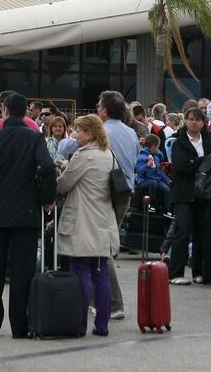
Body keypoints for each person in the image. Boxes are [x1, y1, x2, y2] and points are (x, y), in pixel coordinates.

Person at [0, 92, 56, 339]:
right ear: (25, 112)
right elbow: (48, 168)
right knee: (22, 273)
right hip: (26, 214)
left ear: (5, 111)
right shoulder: (34, 138)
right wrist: (46, 199)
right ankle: (19, 327)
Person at [56, 114, 120, 337]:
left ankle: (80, 323)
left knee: (81, 272)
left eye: (79, 131)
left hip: (82, 221)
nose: (75, 135)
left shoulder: (83, 156)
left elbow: (63, 185)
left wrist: (59, 172)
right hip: (103, 221)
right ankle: (102, 325)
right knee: (100, 273)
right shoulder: (108, 154)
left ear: (91, 133)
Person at [96, 90, 140, 317]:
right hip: (125, 191)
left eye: (98, 106)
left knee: (102, 247)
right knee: (108, 245)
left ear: (104, 110)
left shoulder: (102, 131)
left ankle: (113, 303)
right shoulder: (130, 132)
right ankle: (100, 299)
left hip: (106, 191)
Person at [167, 107, 211, 285]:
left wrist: (196, 163)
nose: (194, 122)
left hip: (203, 194)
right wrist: (202, 162)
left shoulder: (208, 141)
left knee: (201, 234)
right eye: (191, 119)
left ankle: (199, 271)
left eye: (197, 119)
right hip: (183, 193)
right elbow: (180, 166)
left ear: (203, 123)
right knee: (182, 232)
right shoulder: (178, 142)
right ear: (185, 121)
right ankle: (175, 272)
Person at [134, 134, 171, 213]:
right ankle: (151, 205)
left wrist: (166, 179)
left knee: (167, 189)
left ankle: (168, 209)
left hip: (155, 179)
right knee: (153, 183)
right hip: (143, 180)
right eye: (157, 147)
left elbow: (160, 171)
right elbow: (138, 170)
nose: (158, 150)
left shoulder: (156, 157)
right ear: (154, 147)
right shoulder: (142, 156)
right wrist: (147, 166)